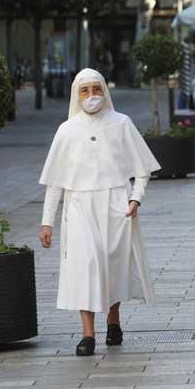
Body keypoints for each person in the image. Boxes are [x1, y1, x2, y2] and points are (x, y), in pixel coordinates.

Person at [38, 68, 160, 356]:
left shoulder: (121, 123)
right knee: (86, 265)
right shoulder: (66, 131)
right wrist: (47, 222)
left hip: (116, 204)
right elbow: (55, 181)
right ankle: (88, 334)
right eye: (85, 90)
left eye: (96, 89)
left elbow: (142, 169)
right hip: (79, 205)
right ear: (76, 94)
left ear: (105, 91)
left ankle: (113, 319)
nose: (91, 96)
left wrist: (135, 198)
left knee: (112, 265)